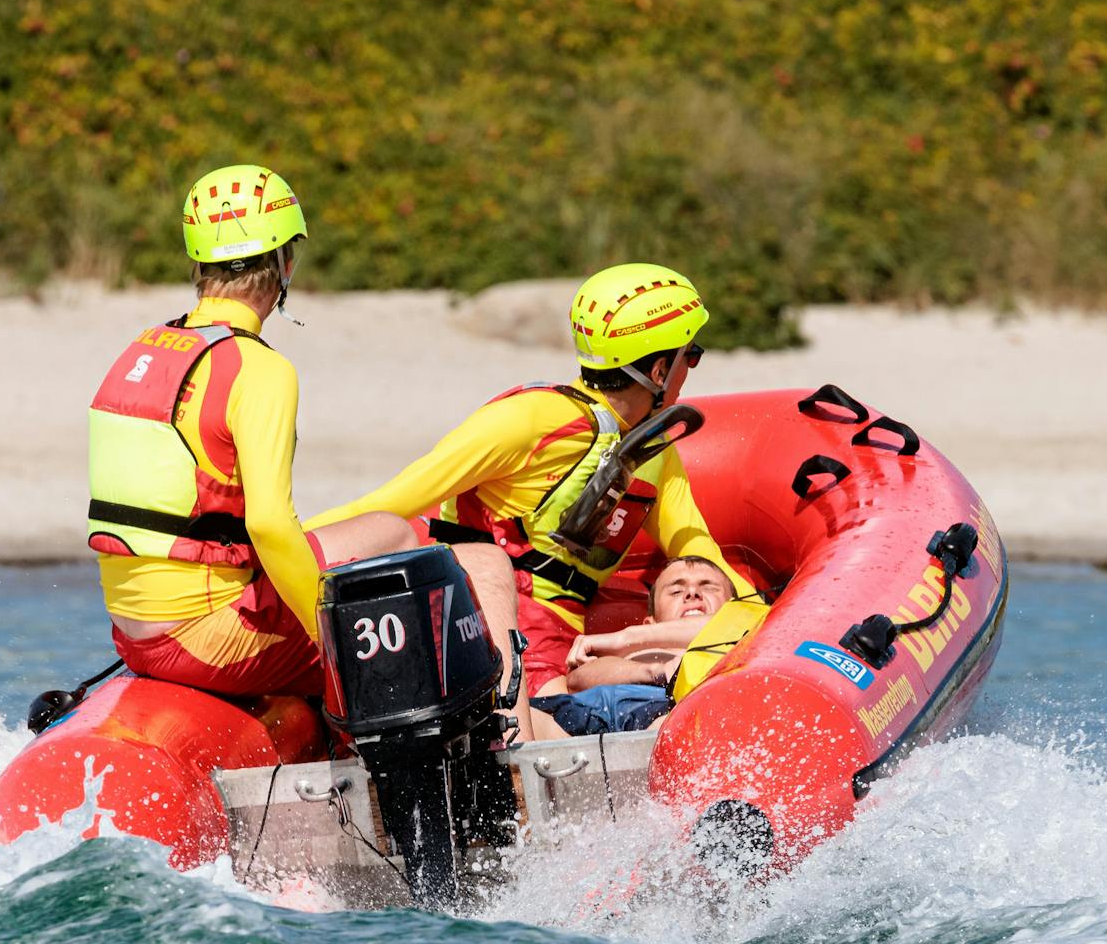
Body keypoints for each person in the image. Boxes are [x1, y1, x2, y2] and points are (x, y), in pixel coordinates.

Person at [307, 262, 754, 711]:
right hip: (492, 618)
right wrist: (273, 547)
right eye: (690, 356)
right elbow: (391, 501)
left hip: (562, 640)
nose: (691, 367)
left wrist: (766, 617)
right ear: (660, 370)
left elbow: (696, 548)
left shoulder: (655, 450)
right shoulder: (531, 419)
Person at [85, 163, 419, 698]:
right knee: (399, 536)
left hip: (131, 632)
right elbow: (267, 524)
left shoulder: (142, 349)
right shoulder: (259, 369)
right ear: (285, 263)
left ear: (199, 260)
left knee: (363, 534)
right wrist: (330, 639)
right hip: (203, 637)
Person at [529, 556, 733, 738]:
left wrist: (626, 638)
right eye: (676, 591)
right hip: (596, 711)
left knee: (673, 725)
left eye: (709, 587)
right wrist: (657, 671)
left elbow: (730, 624)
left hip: (674, 715)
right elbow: (576, 680)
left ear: (735, 605)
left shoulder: (749, 632)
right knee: (514, 721)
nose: (692, 593)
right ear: (650, 623)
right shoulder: (634, 652)